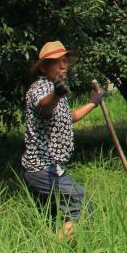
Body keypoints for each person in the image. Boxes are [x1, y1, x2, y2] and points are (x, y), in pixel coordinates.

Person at [21, 40, 108, 240]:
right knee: (82, 207)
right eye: (56, 61)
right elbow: (44, 107)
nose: (63, 66)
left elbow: (70, 117)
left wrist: (93, 103)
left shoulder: (54, 90)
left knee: (53, 220)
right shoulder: (40, 88)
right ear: (43, 67)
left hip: (48, 168)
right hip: (42, 168)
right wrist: (56, 94)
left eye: (65, 61)